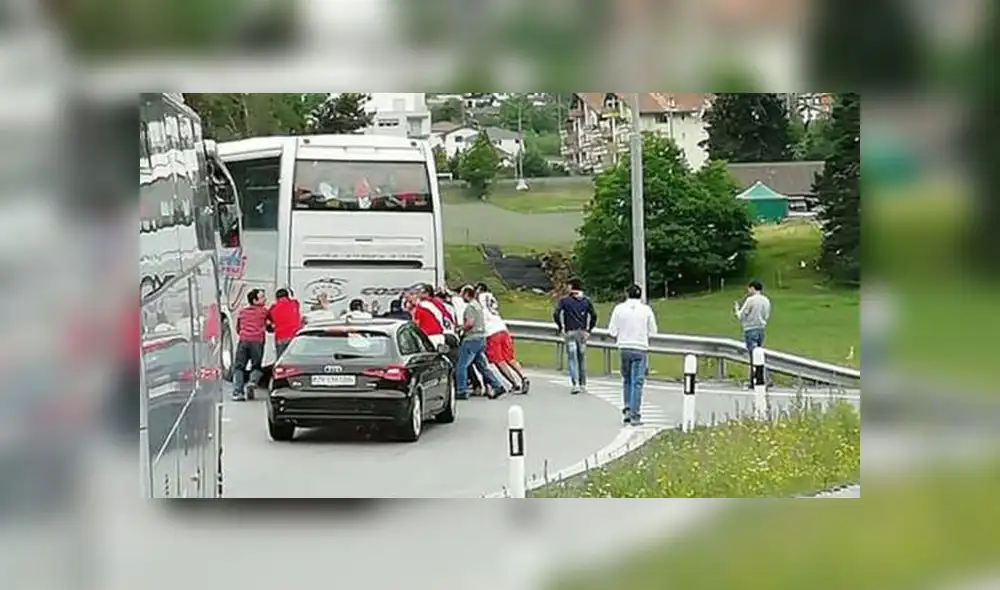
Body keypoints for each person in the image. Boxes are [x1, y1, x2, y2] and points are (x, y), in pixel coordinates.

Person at [608, 284, 658, 426]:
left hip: (624, 347)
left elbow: (612, 331)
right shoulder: (646, 310)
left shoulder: (619, 309)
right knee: (637, 382)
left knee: (627, 379)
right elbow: (653, 331)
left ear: (626, 294)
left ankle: (628, 408)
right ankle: (635, 414)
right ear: (640, 295)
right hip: (640, 347)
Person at [456, 285, 508, 399]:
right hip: (481, 338)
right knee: (482, 366)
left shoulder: (470, 307)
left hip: (471, 338)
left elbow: (470, 323)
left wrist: (460, 329)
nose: (460, 296)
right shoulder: (478, 306)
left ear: (466, 294)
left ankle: (461, 390)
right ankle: (497, 385)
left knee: (462, 365)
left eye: (461, 293)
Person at [553, 278, 598, 394]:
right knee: (581, 358)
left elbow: (556, 313)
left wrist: (560, 327)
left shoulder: (565, 301)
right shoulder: (586, 300)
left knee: (572, 359)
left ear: (571, 287)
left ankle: (575, 384)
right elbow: (594, 315)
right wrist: (589, 330)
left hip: (570, 333)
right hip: (582, 333)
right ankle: (583, 384)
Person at [481, 292, 529, 394]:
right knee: (509, 358)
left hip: (492, 334)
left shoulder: (481, 307)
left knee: (499, 361)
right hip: (504, 331)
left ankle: (514, 383)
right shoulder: (493, 308)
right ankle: (523, 377)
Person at [734, 279, 771, 389]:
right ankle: (762, 378)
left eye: (749, 288)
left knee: (753, 357)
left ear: (752, 288)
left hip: (750, 330)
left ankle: (757, 380)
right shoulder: (766, 300)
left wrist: (737, 309)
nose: (748, 290)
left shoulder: (751, 300)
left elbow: (741, 316)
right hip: (761, 329)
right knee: (758, 355)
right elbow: (766, 315)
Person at [233, 289, 269, 401]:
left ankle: (238, 392)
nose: (265, 299)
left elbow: (238, 328)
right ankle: (252, 382)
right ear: (255, 300)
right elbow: (270, 325)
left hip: (243, 341)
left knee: (239, 367)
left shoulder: (242, 312)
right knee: (256, 366)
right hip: (257, 341)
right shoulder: (264, 312)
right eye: (262, 297)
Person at [268, 288, 301, 360]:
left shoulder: (273, 308)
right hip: (294, 336)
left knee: (281, 361)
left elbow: (269, 321)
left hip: (280, 337)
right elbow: (294, 299)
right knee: (294, 360)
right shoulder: (295, 303)